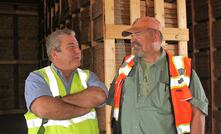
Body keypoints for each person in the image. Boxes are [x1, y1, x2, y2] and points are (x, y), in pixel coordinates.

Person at [107, 16, 208, 134]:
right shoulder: (125, 68)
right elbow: (115, 106)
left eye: (137, 34)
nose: (132, 40)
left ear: (155, 36)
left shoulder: (182, 71)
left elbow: (198, 112)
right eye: (131, 35)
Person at [24, 28, 108, 134]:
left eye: (77, 46)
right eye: (71, 47)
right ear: (55, 54)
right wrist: (82, 109)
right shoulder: (37, 78)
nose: (78, 51)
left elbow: (100, 96)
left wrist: (59, 101)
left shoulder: (87, 76)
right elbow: (43, 108)